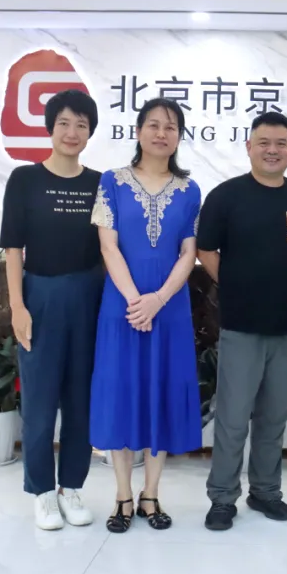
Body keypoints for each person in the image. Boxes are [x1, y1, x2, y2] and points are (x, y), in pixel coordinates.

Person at [196, 111, 287, 531]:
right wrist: (235, 285)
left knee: (273, 417)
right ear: (249, 147)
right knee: (233, 418)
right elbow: (206, 250)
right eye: (264, 142)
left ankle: (266, 491)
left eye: (281, 143)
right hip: (241, 326)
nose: (272, 150)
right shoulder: (226, 196)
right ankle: (222, 497)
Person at [89, 97, 203, 534]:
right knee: (121, 391)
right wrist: (137, 299)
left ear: (179, 137)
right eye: (153, 124)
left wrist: (157, 299)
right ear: (138, 131)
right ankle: (122, 493)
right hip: (121, 306)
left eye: (171, 127)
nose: (161, 133)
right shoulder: (112, 181)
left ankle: (151, 494)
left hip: (169, 309)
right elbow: (108, 245)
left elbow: (189, 253)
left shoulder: (190, 190)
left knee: (162, 391)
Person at [0, 89, 103, 531]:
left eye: (81, 124)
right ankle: (42, 491)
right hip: (39, 295)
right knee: (40, 403)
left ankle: (71, 487)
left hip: (89, 298)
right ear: (50, 127)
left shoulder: (101, 183)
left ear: (90, 132)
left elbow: (110, 247)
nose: (72, 132)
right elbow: (13, 248)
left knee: (81, 402)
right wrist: (17, 306)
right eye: (64, 123)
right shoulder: (25, 180)